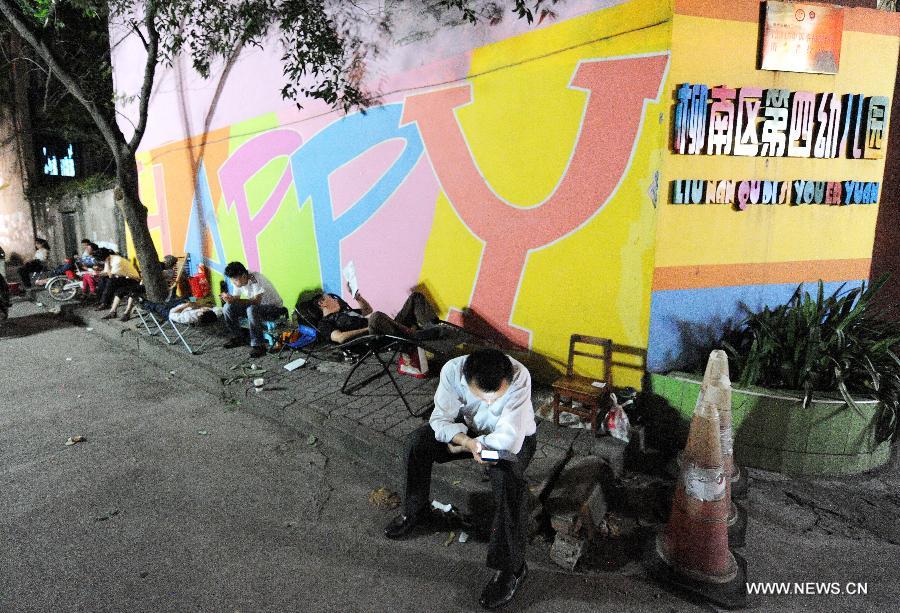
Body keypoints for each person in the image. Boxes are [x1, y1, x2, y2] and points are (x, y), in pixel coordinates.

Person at [384, 348, 537, 610]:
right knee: (416, 444)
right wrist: (465, 441)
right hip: (469, 434)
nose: (490, 403)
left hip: (511, 440)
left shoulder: (520, 375)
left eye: (496, 397)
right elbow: (440, 419)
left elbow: (509, 439)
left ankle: (511, 568)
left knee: (509, 478)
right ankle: (417, 512)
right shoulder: (453, 371)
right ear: (467, 380)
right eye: (483, 397)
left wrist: (474, 446)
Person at [311, 289, 441, 344]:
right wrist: (368, 328)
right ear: (322, 303)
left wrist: (358, 298)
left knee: (415, 296)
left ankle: (431, 327)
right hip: (374, 337)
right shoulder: (324, 323)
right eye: (331, 298)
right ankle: (413, 335)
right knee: (375, 317)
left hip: (387, 327)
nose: (336, 300)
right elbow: (340, 338)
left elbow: (367, 310)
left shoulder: (345, 312)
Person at [220, 261, 284, 358]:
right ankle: (238, 337)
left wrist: (234, 300)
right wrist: (229, 299)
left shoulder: (255, 278)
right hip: (256, 308)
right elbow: (237, 298)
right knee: (227, 307)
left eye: (235, 280)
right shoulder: (238, 281)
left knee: (252, 309)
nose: (233, 282)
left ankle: (259, 346)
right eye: (232, 280)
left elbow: (256, 301)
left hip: (274, 309)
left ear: (244, 276)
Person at [96, 250, 141, 319]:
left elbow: (111, 275)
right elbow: (107, 272)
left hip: (134, 279)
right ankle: (112, 311)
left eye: (102, 260)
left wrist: (107, 265)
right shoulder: (109, 259)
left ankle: (106, 302)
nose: (102, 262)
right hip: (125, 278)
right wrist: (98, 273)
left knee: (111, 281)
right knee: (106, 282)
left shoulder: (117, 261)